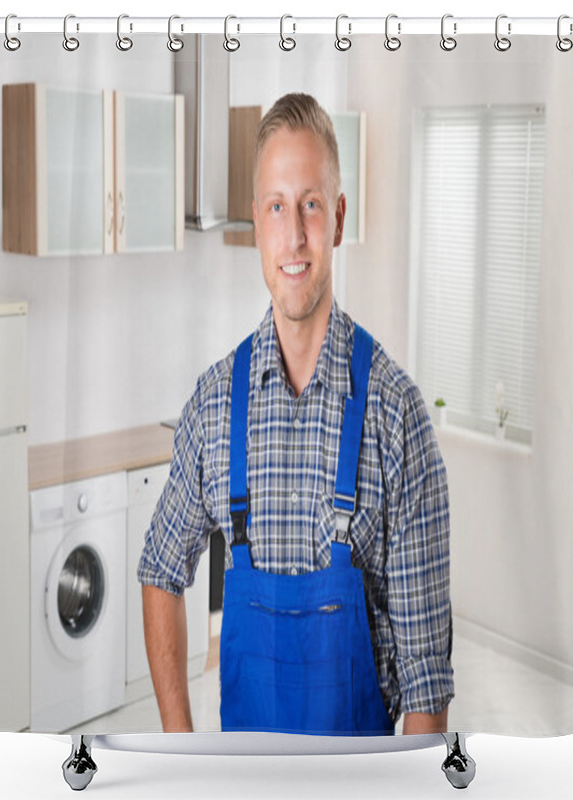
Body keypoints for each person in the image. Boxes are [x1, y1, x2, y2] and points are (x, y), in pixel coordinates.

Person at [138, 92, 453, 736]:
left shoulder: (397, 415)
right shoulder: (213, 407)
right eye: (277, 207)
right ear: (256, 221)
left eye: (311, 204)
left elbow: (426, 679)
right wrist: (180, 744)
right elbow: (160, 571)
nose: (296, 236)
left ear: (337, 218)